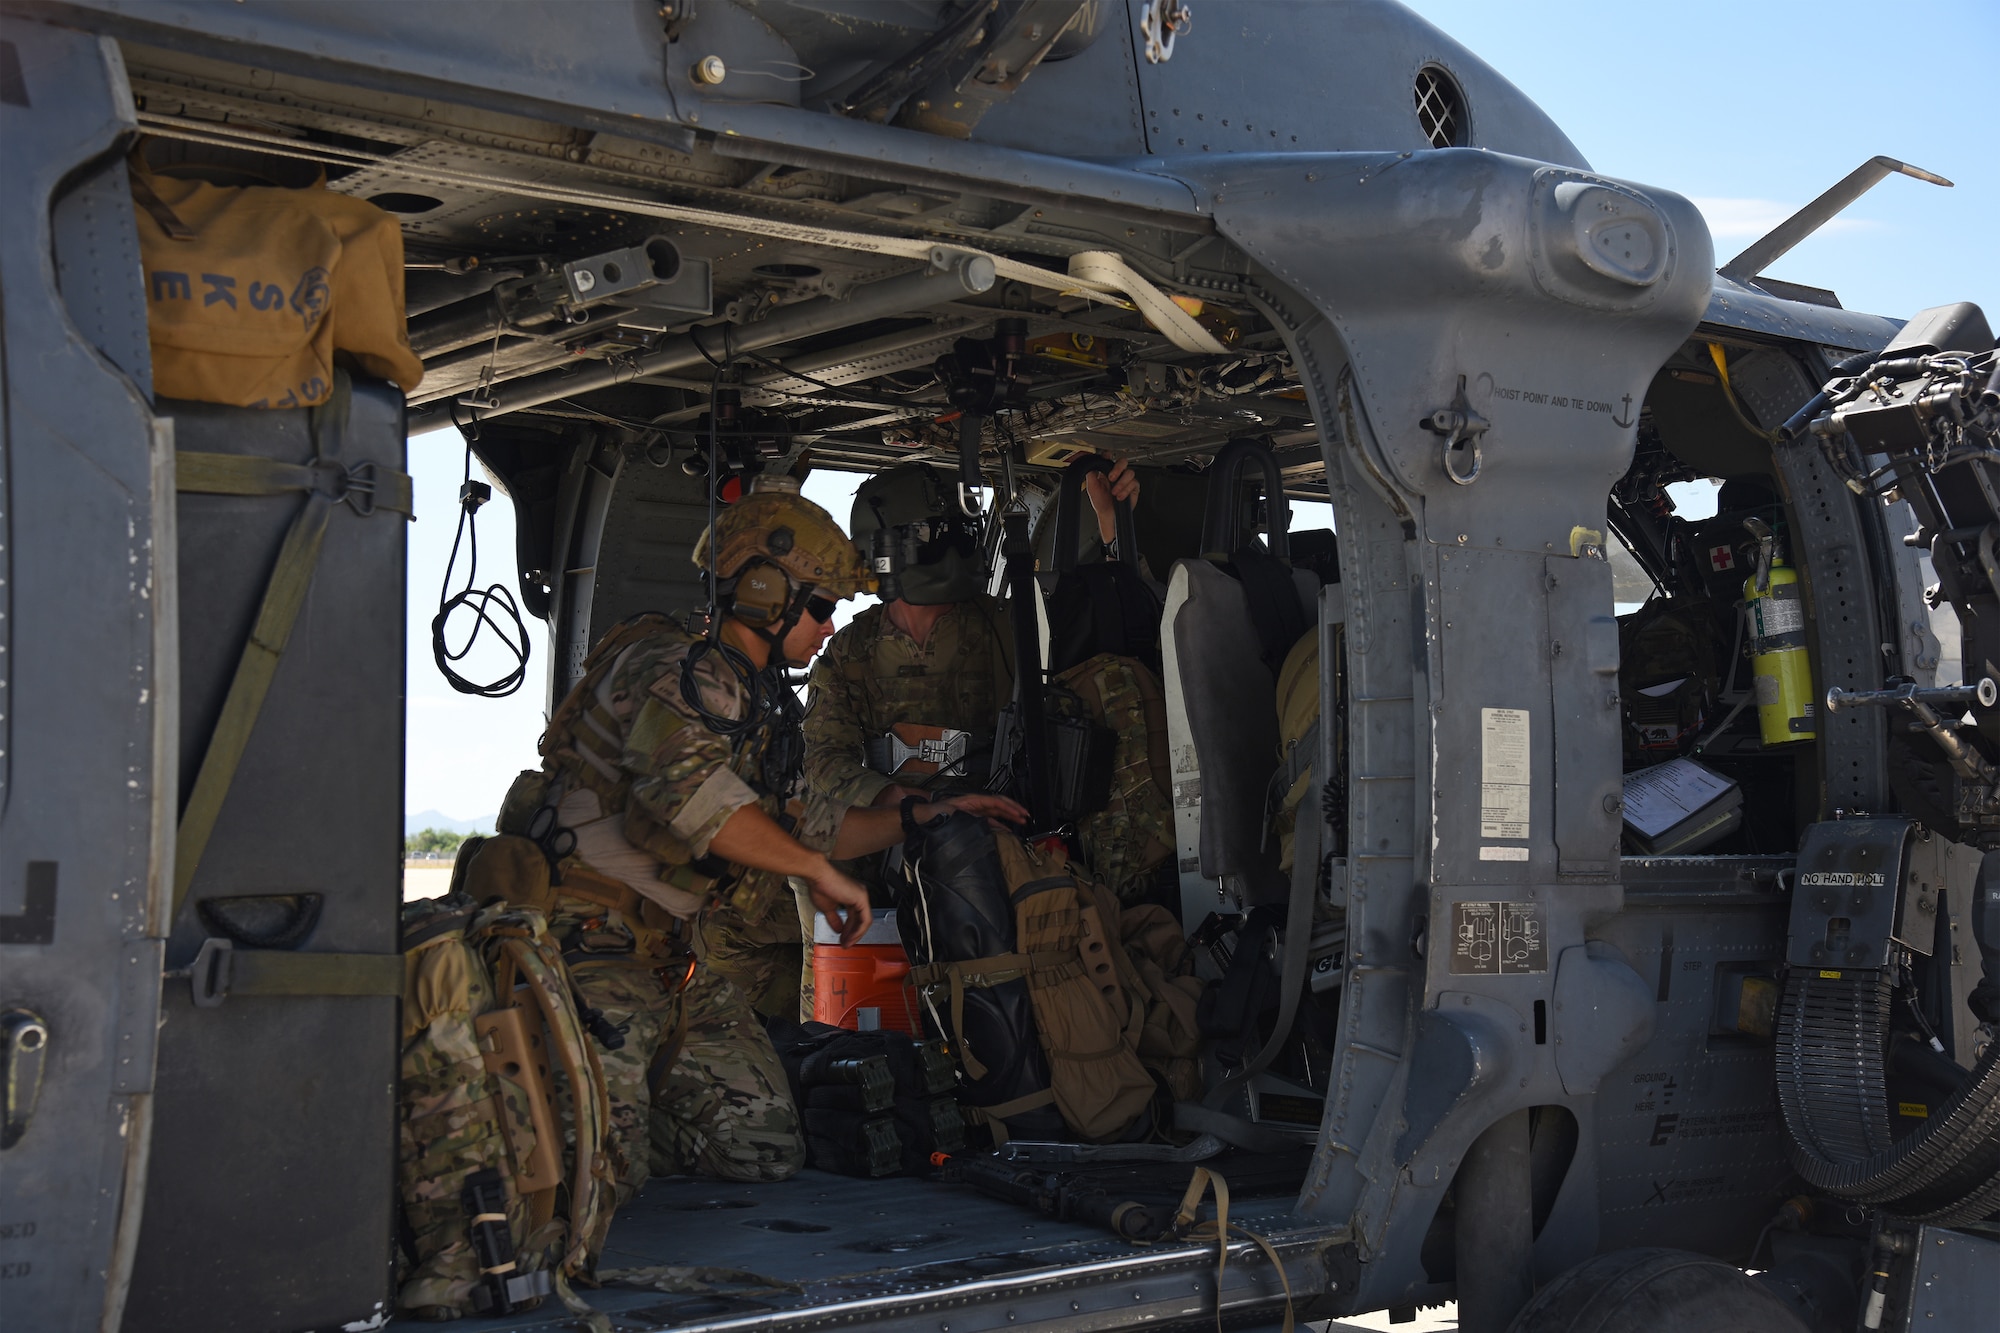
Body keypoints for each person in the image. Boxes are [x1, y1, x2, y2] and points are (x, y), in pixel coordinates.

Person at [502, 475, 1023, 1203]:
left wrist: (919, 816)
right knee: (587, 1185)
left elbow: (813, 825)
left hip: (665, 964)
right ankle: (579, 1116)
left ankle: (611, 1110)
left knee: (764, 1146)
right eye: (820, 608)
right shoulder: (671, 668)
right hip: (582, 953)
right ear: (762, 592)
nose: (831, 626)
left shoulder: (755, 703)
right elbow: (692, 800)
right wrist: (815, 870)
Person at [803, 456, 1140, 817]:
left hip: (1001, 825)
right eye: (929, 535)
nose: (949, 547)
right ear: (882, 551)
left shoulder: (1016, 625)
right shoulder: (849, 652)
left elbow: (1120, 628)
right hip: (892, 834)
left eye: (961, 532)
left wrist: (1112, 522)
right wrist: (912, 808)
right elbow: (824, 761)